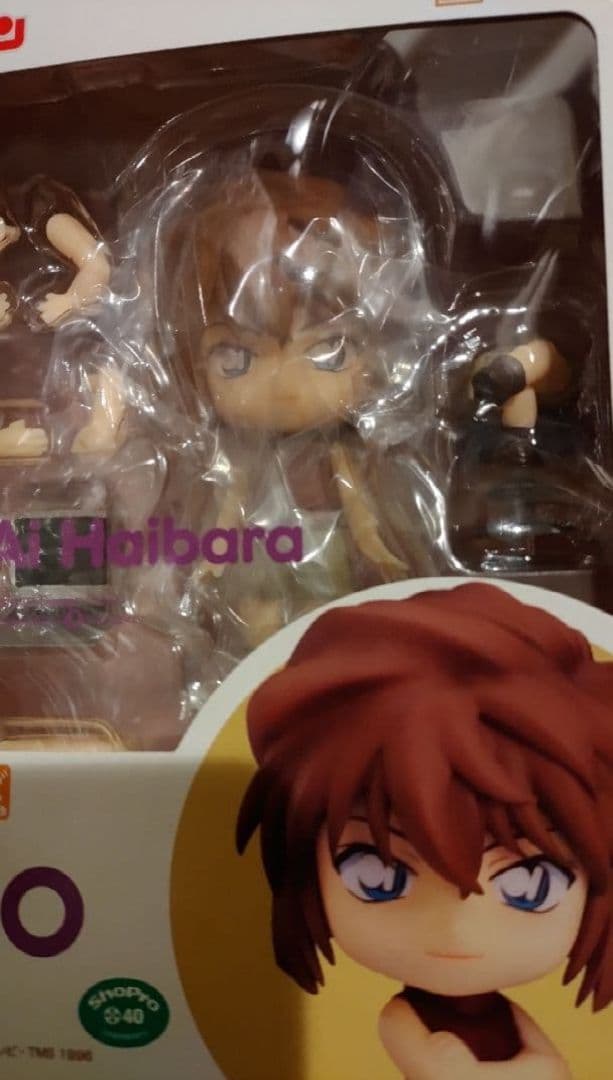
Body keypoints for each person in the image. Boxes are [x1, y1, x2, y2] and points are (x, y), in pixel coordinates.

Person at [237, 582, 613, 1079]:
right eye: (378, 875)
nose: (456, 930)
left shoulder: (500, 1014)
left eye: (531, 885)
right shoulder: (405, 1019)